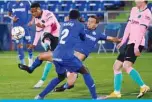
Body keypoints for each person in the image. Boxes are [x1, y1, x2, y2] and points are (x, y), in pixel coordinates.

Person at [54, 15, 121, 92]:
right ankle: (72, 78)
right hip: (71, 54)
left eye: (91, 22)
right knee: (65, 70)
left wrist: (119, 40)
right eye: (88, 21)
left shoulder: (98, 34)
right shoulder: (82, 29)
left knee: (70, 81)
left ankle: (66, 85)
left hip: (78, 58)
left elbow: (110, 38)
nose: (88, 23)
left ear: (96, 24)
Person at [106, 0, 151, 99]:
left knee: (126, 66)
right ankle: (117, 92)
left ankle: (143, 86)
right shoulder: (134, 9)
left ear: (144, 1)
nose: (135, 1)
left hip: (137, 43)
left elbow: (142, 32)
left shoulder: (147, 14)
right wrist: (123, 41)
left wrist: (136, 46)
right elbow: (128, 27)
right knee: (116, 66)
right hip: (130, 42)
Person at [28, 2, 60, 88]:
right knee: (45, 36)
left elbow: (51, 21)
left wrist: (43, 25)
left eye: (34, 11)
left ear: (39, 9)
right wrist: (34, 44)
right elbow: (38, 32)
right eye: (31, 12)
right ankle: (42, 80)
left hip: (55, 35)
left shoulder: (48, 13)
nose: (33, 14)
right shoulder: (36, 19)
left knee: (53, 59)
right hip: (47, 36)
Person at [7, 0, 33, 66]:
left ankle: (30, 58)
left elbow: (33, 12)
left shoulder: (26, 2)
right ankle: (22, 62)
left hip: (25, 26)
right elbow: (9, 14)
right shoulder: (10, 3)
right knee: (19, 44)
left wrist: (32, 21)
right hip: (16, 27)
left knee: (28, 44)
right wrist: (12, 18)